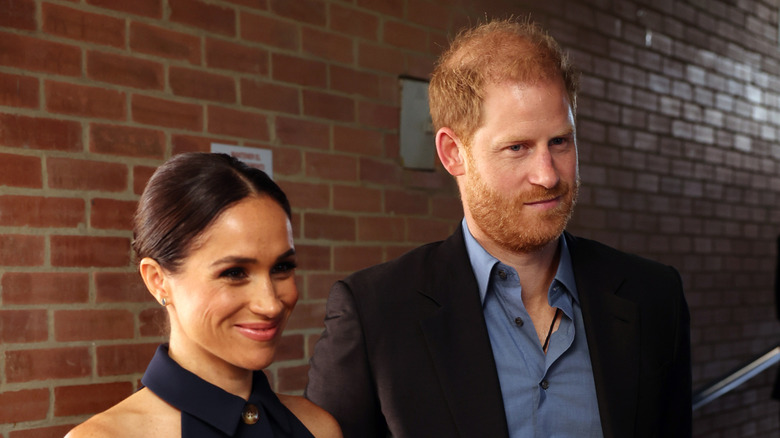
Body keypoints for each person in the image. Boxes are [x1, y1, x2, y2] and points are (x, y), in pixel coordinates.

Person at [305, 17, 691, 438]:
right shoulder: (374, 313)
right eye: (518, 147)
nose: (547, 175)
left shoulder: (654, 297)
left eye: (560, 141)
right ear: (454, 154)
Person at [67, 153, 342, 438]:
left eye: (282, 267)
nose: (270, 304)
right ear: (158, 281)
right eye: (235, 272)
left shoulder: (318, 427)